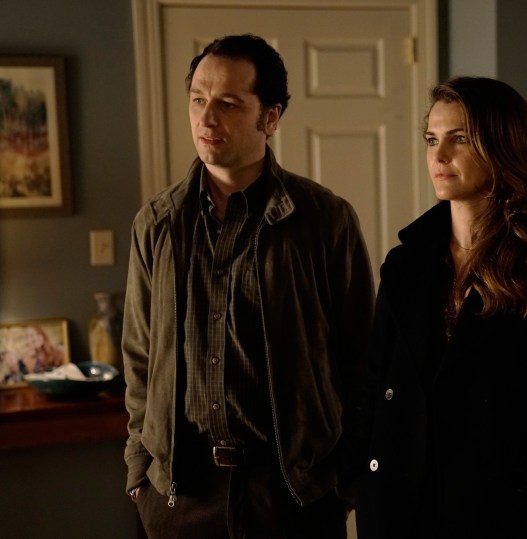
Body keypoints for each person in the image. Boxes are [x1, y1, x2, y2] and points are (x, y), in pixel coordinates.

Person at [122, 34, 375, 539]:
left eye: (229, 104)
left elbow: (362, 358)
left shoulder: (325, 220)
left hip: (292, 494)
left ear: (271, 117)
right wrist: (139, 474)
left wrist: (345, 481)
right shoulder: (157, 223)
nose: (207, 118)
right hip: (181, 495)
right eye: (198, 99)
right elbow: (139, 360)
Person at [355, 76, 527, 538]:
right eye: (432, 139)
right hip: (397, 513)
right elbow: (374, 385)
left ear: (503, 147)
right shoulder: (404, 264)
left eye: (459, 139)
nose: (438, 156)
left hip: (501, 520)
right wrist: (358, 478)